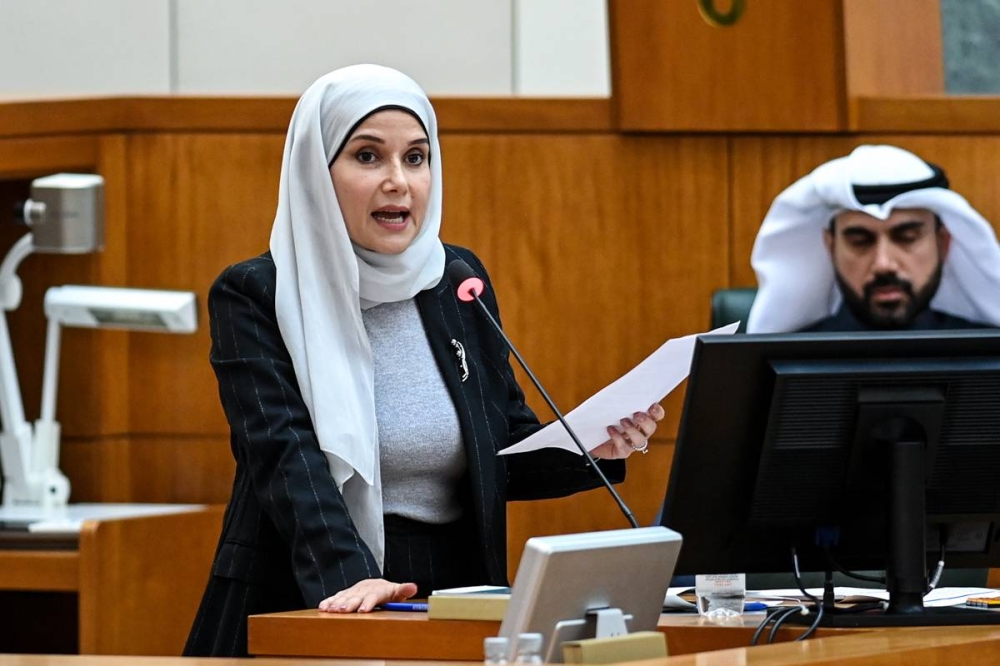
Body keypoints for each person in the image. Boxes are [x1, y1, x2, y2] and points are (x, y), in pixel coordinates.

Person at [183, 64, 664, 658]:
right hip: (304, 585)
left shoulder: (455, 281)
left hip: (450, 588)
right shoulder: (258, 293)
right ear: (316, 170)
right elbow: (285, 458)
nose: (398, 181)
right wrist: (351, 578)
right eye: (367, 156)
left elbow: (499, 450)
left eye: (415, 158)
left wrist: (591, 445)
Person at [746, 144, 1000, 333]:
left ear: (943, 243)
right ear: (830, 247)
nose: (883, 264)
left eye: (907, 238)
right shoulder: (787, 360)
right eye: (860, 241)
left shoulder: (988, 354)